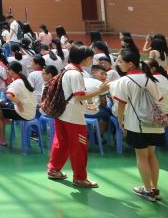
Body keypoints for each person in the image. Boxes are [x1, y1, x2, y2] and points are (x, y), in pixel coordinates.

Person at [47, 46, 109, 188]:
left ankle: (53, 169)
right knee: (79, 146)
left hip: (62, 112)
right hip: (73, 117)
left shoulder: (67, 69)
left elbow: (72, 94)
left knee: (61, 142)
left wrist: (86, 104)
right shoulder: (76, 74)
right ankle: (80, 178)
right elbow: (79, 96)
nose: (92, 60)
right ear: (84, 58)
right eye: (90, 58)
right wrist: (99, 90)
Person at [113, 50, 165, 201]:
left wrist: (120, 121)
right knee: (151, 155)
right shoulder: (152, 79)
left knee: (142, 157)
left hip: (136, 125)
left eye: (120, 61)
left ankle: (147, 191)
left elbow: (121, 105)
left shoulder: (124, 80)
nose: (118, 64)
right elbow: (158, 100)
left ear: (130, 64)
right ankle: (155, 189)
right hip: (155, 123)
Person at [0, 61, 36, 146]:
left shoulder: (17, 82)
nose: (7, 71)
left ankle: (1, 139)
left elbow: (9, 95)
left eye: (8, 70)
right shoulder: (27, 80)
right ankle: (6, 120)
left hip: (22, 112)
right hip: (31, 113)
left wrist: (19, 103)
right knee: (0, 111)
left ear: (11, 71)